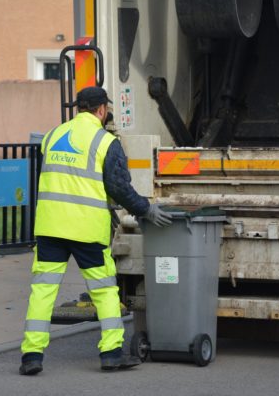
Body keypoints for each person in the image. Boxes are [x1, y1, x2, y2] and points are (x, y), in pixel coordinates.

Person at [19, 86, 172, 375]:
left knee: (42, 291)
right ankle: (112, 353)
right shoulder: (105, 142)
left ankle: (31, 356)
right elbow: (118, 187)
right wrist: (145, 209)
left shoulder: (52, 136)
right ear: (102, 110)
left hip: (50, 226)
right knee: (103, 291)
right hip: (86, 229)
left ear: (80, 108)